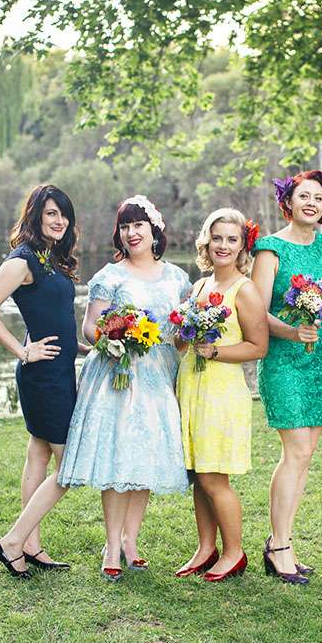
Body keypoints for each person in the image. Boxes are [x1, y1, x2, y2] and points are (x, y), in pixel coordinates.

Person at [57, 195, 191, 581]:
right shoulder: (110, 276)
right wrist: (116, 338)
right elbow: (90, 326)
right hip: (117, 377)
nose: (131, 233)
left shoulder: (177, 279)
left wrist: (187, 340)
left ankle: (131, 541)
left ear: (154, 230)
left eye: (138, 225)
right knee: (119, 460)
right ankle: (112, 544)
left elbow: (179, 331)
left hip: (158, 379)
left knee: (143, 458)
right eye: (125, 226)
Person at [0, 184, 85, 579]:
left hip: (60, 369)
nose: (59, 220)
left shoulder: (50, 258)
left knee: (39, 453)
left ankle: (31, 546)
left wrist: (83, 347)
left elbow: (53, 317)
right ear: (36, 215)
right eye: (52, 213)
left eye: (64, 214)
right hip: (43, 377)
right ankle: (12, 542)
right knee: (70, 468)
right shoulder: (22, 260)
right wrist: (23, 351)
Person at [250, 170, 322, 584]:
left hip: (317, 361)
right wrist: (290, 332)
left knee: (306, 453)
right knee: (296, 451)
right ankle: (279, 547)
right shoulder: (270, 249)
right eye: (304, 196)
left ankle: (281, 542)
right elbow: (255, 311)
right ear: (288, 202)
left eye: (318, 198)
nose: (311, 203)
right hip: (282, 361)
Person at [174, 209, 268, 582]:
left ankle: (234, 552)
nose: (223, 246)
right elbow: (182, 344)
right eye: (217, 238)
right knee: (199, 475)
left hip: (221, 393)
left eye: (232, 239)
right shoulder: (199, 286)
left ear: (242, 245)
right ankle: (205, 548)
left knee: (215, 479)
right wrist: (182, 333)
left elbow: (258, 346)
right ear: (206, 242)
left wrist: (215, 351)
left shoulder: (245, 290)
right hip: (192, 388)